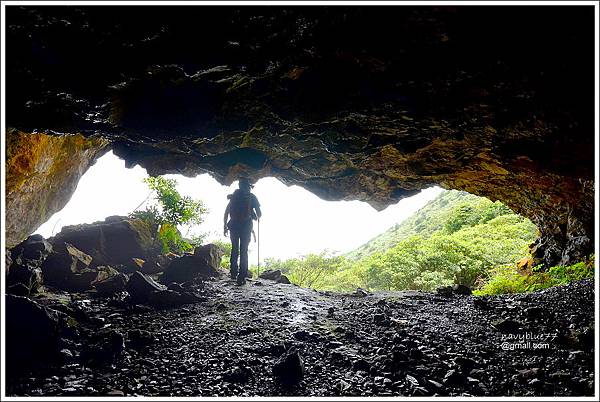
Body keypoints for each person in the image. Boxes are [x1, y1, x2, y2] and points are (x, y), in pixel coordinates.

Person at [224, 178, 261, 285]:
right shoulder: (252, 197)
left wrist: (224, 226)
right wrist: (254, 214)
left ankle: (233, 272)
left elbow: (227, 212)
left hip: (234, 225)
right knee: (243, 250)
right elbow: (259, 214)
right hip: (246, 226)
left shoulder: (234, 196)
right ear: (248, 186)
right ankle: (241, 276)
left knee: (234, 248)